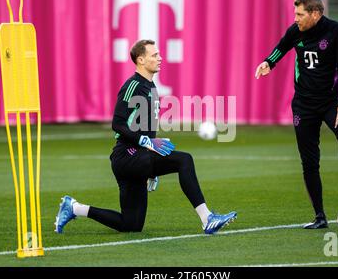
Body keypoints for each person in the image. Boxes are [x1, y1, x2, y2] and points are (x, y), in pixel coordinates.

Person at [55, 39, 237, 235]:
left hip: (135, 158)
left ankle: (74, 208)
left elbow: (145, 129)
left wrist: (151, 164)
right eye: (154, 55)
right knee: (184, 160)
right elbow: (117, 123)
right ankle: (206, 218)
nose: (160, 58)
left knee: (131, 225)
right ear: (141, 60)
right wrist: (145, 143)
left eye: (158, 54)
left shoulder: (150, 87)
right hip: (126, 156)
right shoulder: (133, 85)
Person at [254, 0, 338, 229]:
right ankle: (320, 216)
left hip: (331, 101)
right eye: (295, 14)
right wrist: (268, 63)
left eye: (300, 14)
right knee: (309, 161)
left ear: (315, 13)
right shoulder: (296, 31)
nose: (296, 18)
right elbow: (281, 48)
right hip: (303, 104)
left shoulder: (337, 32)